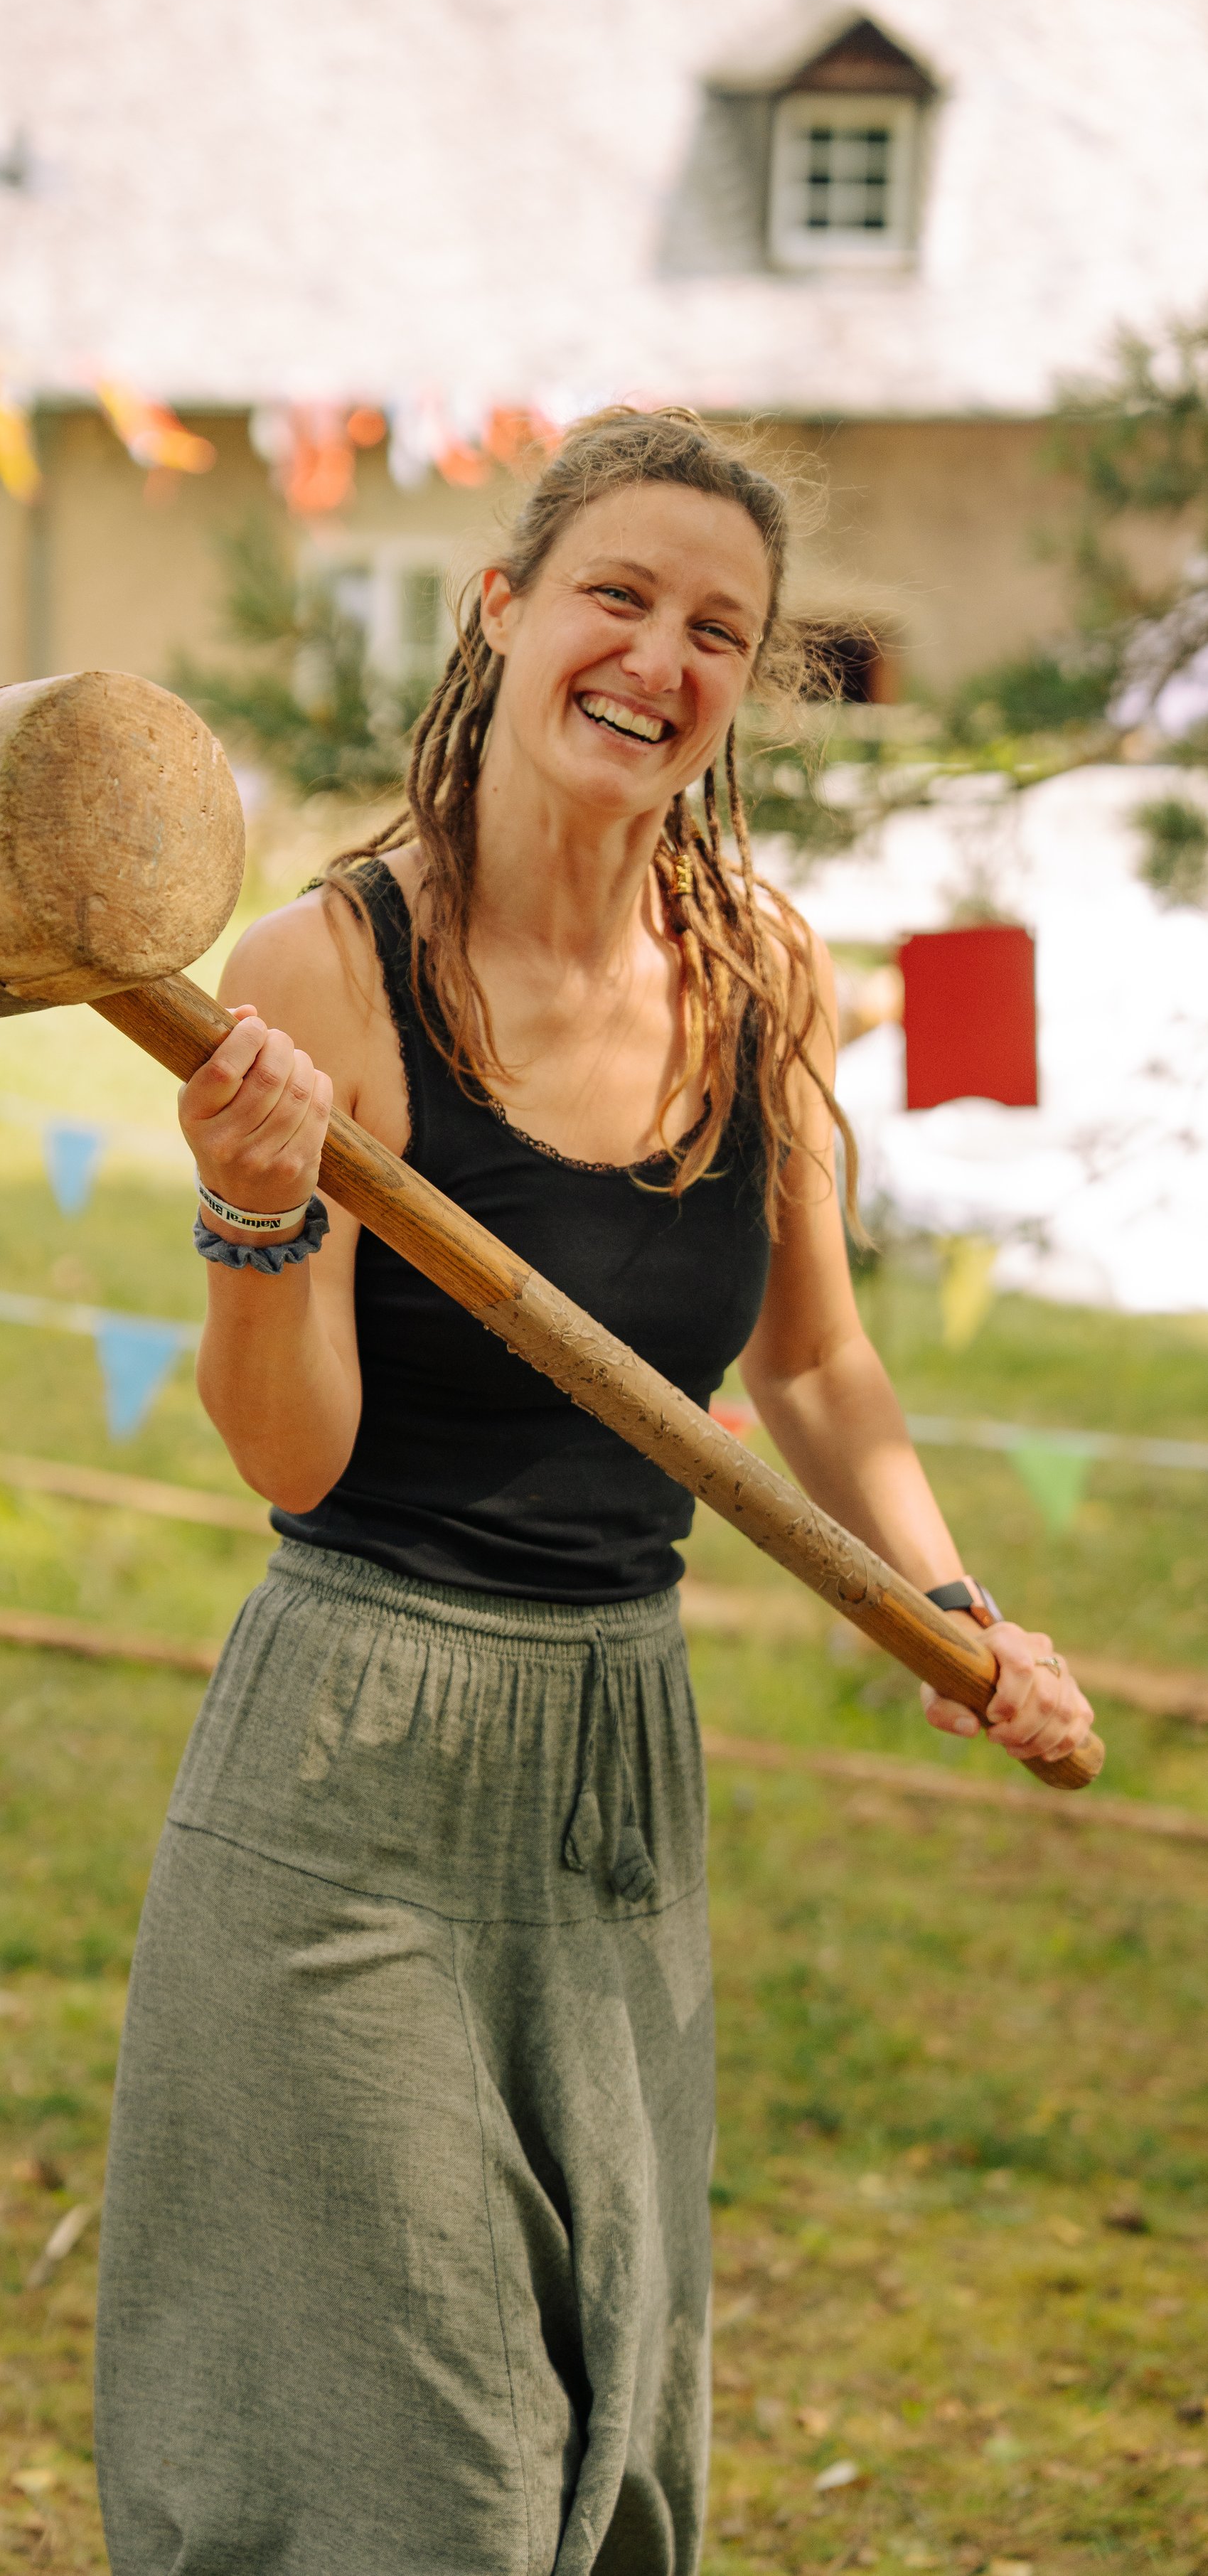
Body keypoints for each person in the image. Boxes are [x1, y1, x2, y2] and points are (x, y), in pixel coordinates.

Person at [93, 408, 1094, 2576]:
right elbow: (291, 1456)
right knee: (398, 2463)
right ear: (505, 611)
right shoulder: (318, 980)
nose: (659, 658)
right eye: (617, 598)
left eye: (717, 629)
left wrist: (951, 1607)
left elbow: (813, 1359)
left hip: (614, 1765)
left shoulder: (759, 975)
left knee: (596, 2438)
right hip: (353, 1751)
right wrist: (264, 1226)